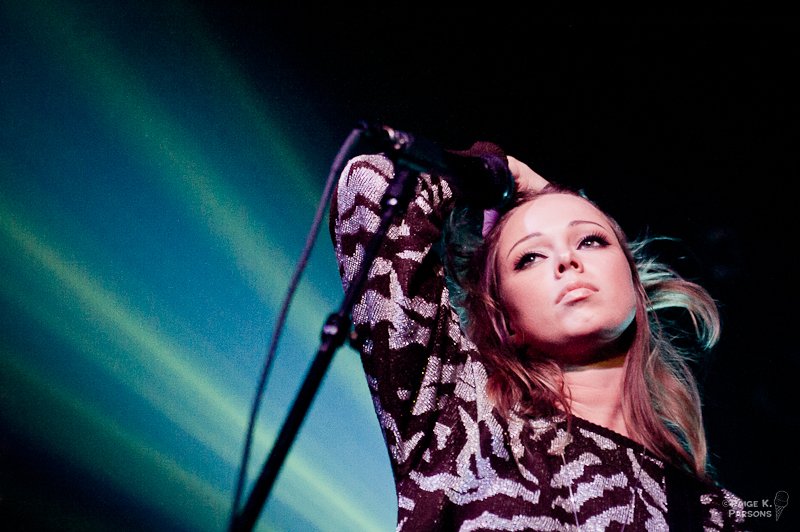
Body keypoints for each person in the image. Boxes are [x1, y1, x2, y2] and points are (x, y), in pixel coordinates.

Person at [329, 139, 747, 531]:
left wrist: (552, 200)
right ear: (506, 322)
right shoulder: (462, 417)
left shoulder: (716, 514)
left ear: (634, 285)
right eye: (529, 257)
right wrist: (494, 172)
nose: (566, 259)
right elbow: (369, 186)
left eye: (590, 240)